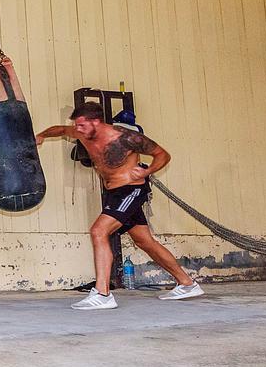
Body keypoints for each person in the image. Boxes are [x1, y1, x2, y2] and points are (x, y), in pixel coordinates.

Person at [37, 102, 203, 310]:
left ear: (95, 121)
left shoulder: (125, 138)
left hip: (130, 190)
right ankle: (187, 284)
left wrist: (146, 171)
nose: (77, 129)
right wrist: (41, 135)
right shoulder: (83, 134)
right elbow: (60, 130)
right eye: (76, 126)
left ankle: (103, 294)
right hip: (114, 193)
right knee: (144, 242)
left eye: (81, 125)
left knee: (98, 231)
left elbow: (163, 154)